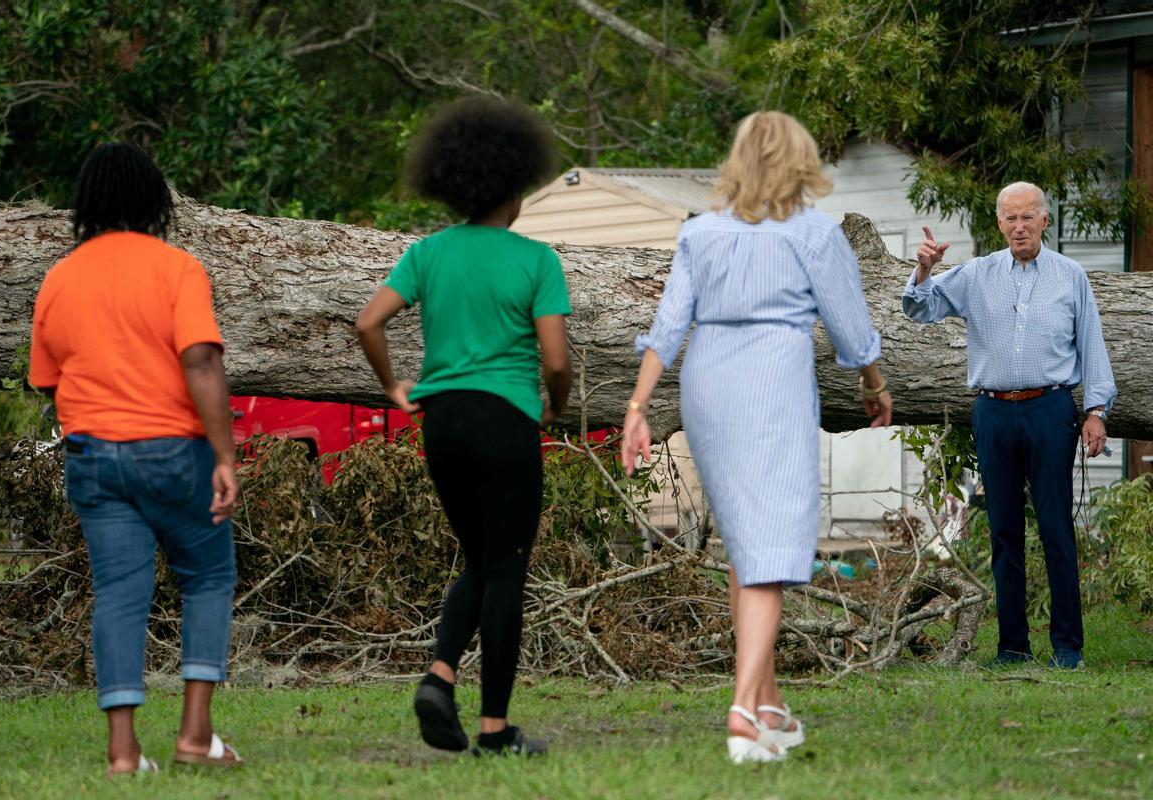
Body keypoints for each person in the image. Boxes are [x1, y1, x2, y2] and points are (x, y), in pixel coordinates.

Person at [621, 111, 892, 763]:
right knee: (771, 538)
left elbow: (668, 325)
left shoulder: (702, 232)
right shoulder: (815, 234)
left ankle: (770, 705)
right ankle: (743, 711)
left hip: (708, 378)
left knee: (748, 540)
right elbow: (851, 330)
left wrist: (637, 406)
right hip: (771, 376)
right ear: (800, 160)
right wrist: (874, 385)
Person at [356, 96, 572, 757]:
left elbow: (369, 322)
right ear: (512, 187)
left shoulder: (427, 254)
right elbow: (557, 359)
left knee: (479, 559)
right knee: (506, 569)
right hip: (506, 416)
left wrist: (395, 386)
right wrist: (554, 406)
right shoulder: (536, 261)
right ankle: (495, 731)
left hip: (441, 421)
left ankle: (440, 675)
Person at [29, 143, 243, 775]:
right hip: (175, 452)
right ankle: (196, 737)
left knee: (119, 593)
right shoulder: (177, 269)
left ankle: (123, 752)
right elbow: (201, 361)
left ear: (87, 204)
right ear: (155, 201)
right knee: (207, 578)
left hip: (93, 456)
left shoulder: (59, 278)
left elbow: (47, 379)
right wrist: (225, 454)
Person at [902, 181, 1116, 670]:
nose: (1019, 226)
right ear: (999, 224)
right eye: (1010, 218)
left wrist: (1096, 411)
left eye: (1028, 217)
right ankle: (1012, 646)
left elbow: (1092, 346)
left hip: (1051, 409)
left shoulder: (1071, 276)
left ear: (1044, 221)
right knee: (1003, 532)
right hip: (994, 411)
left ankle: (1067, 648)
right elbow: (919, 308)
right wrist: (924, 269)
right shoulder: (976, 274)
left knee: (1057, 529)